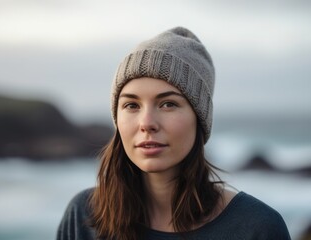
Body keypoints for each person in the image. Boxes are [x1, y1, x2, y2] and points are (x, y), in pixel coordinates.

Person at [56, 27, 291, 240]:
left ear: (199, 118)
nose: (147, 123)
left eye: (168, 104)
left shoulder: (257, 227)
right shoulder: (84, 217)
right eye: (132, 105)